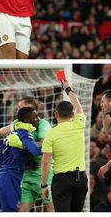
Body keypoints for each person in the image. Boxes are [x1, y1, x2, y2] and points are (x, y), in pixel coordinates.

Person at [0, 97, 54, 211]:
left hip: (43, 174)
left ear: (31, 109)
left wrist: (25, 143)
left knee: (52, 209)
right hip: (26, 174)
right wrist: (15, 128)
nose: (18, 110)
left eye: (20, 107)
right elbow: (0, 132)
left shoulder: (43, 124)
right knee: (21, 211)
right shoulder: (18, 123)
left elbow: (43, 144)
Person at [41, 79, 88, 212]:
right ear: (73, 114)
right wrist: (67, 89)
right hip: (81, 179)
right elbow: (79, 106)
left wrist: (44, 185)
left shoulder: (51, 134)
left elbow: (45, 162)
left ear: (55, 115)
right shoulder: (79, 125)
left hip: (62, 181)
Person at [0, 107, 42, 212]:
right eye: (35, 117)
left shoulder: (9, 135)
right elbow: (36, 151)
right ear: (27, 120)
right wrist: (51, 143)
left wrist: (23, 163)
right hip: (11, 179)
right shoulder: (23, 131)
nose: (38, 119)